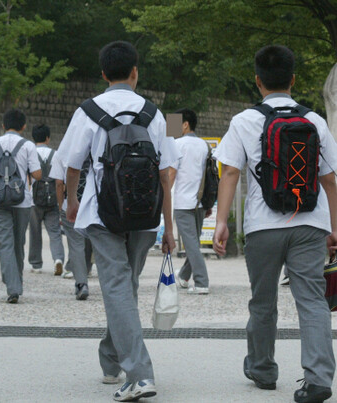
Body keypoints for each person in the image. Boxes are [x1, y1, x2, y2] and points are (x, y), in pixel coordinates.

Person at [213, 45, 337, 403]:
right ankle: (317, 379)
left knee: (262, 301)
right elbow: (329, 180)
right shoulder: (314, 121)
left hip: (262, 226)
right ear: (293, 79)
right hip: (310, 223)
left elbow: (231, 171)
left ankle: (263, 370)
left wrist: (222, 221)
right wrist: (333, 227)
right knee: (312, 300)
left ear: (257, 81)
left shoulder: (243, 121)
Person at [57, 41, 177, 401]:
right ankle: (110, 360)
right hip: (144, 215)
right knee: (125, 285)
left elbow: (72, 165)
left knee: (117, 286)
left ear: (104, 74)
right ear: (136, 72)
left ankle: (139, 374)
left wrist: (73, 201)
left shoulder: (87, 110)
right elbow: (167, 174)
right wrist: (168, 228)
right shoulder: (159, 113)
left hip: (100, 211)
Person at [0, 108, 42, 303]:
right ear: (24, 126)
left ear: (3, 125)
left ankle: (12, 287)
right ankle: (17, 283)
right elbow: (38, 174)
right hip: (22, 201)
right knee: (18, 244)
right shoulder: (28, 145)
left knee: (5, 244)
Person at [169, 108, 211, 294]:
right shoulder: (204, 145)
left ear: (185, 124)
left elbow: (171, 173)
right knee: (194, 242)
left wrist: (162, 195)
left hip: (183, 202)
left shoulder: (177, 144)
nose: (171, 128)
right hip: (200, 203)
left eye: (174, 123)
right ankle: (184, 276)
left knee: (191, 244)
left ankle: (202, 282)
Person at [49, 152, 91, 299]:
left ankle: (82, 283)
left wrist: (61, 208)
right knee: (97, 243)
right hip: (95, 206)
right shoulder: (97, 146)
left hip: (71, 205)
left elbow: (59, 184)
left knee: (76, 245)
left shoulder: (61, 154)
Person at [28, 124, 65, 275]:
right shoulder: (56, 154)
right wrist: (60, 202)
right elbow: (59, 181)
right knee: (55, 231)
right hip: (53, 198)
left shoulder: (30, 153)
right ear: (48, 138)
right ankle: (58, 259)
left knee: (35, 232)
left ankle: (36, 264)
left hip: (33, 200)